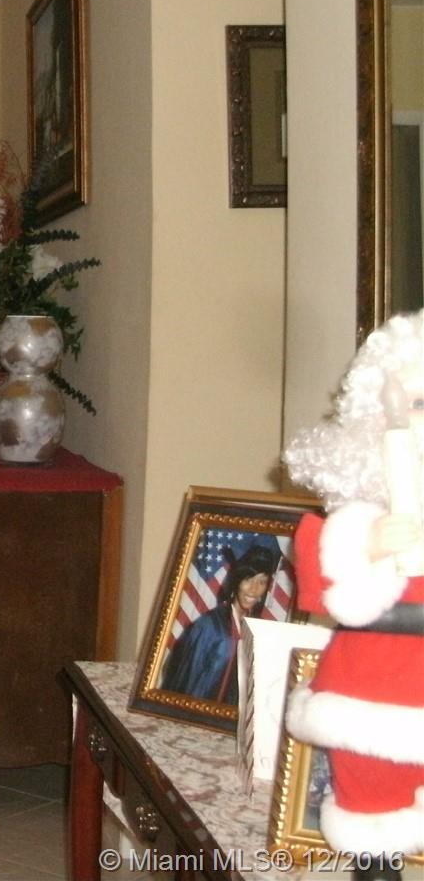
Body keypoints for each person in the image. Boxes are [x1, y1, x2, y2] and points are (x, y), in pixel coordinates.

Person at [283, 311, 424, 879]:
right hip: (369, 699)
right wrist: (369, 546)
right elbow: (328, 594)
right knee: (373, 825)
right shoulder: (346, 525)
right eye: (419, 405)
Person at [159, 543, 279, 703]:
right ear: (237, 581)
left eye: (261, 582)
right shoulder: (210, 627)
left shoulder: (258, 630)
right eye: (248, 579)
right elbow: (187, 681)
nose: (253, 589)